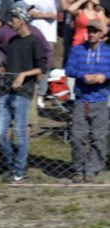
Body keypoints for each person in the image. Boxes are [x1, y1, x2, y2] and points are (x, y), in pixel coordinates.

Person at [0, 3, 46, 183]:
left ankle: (19, 169)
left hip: (23, 94)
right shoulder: (12, 42)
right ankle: (10, 165)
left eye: (14, 19)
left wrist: (23, 75)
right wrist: (2, 70)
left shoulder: (35, 42)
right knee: (0, 133)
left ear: (22, 20)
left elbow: (42, 68)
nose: (10, 22)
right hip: (6, 91)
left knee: (20, 132)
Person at [64, 19, 110, 183]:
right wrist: (83, 76)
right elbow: (68, 69)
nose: (91, 34)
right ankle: (78, 168)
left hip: (100, 100)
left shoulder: (108, 51)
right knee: (77, 137)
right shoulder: (77, 50)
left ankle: (91, 169)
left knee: (99, 137)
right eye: (89, 30)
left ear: (101, 34)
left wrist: (105, 76)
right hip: (81, 100)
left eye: (95, 31)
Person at [26, 0, 57, 108]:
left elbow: (60, 13)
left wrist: (40, 14)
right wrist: (46, 15)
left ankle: (40, 95)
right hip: (33, 33)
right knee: (31, 63)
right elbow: (27, 11)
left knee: (46, 66)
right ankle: (30, 92)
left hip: (49, 36)